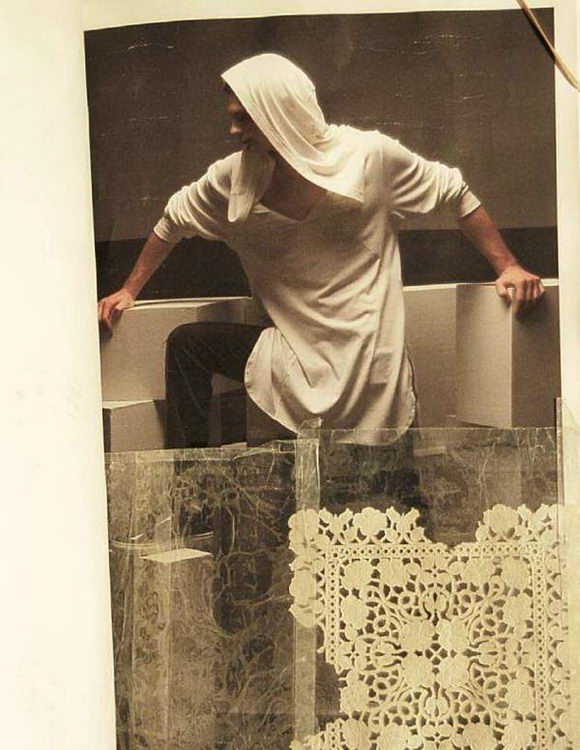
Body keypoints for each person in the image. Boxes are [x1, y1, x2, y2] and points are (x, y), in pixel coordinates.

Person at [98, 53, 544, 449]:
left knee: (393, 505)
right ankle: (191, 487)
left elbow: (454, 193)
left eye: (244, 119)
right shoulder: (232, 180)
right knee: (187, 346)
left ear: (278, 114)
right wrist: (129, 291)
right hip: (290, 356)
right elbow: (171, 221)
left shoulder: (368, 158)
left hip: (371, 362)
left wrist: (508, 266)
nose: (233, 131)